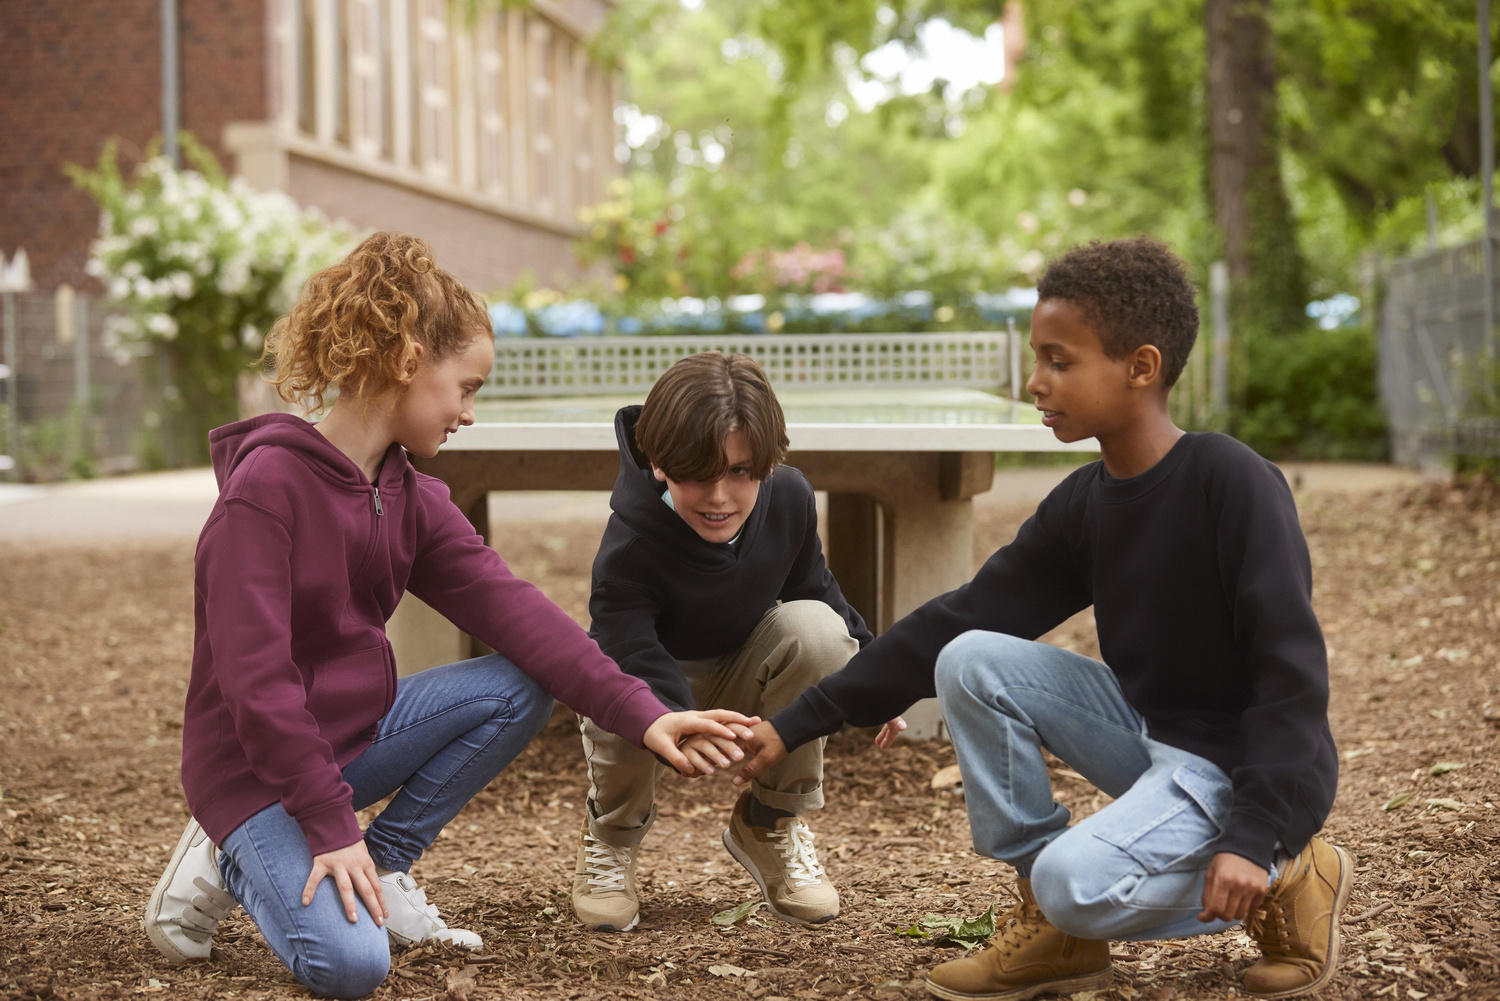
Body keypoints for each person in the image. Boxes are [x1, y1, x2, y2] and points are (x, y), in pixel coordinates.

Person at [732, 238, 1351, 1000]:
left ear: (1142, 366)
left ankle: (1291, 872)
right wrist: (794, 723)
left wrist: (1256, 838)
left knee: (1074, 881)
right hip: (1157, 734)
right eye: (1039, 358)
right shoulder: (1085, 505)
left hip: (1250, 768)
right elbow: (957, 619)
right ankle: (1057, 929)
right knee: (971, 656)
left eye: (1060, 361)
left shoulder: (1233, 482)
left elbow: (1290, 679)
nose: (1035, 382)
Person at [142, 233, 756, 998]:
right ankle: (225, 849)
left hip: (350, 739)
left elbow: (522, 616)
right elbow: (257, 684)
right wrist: (331, 829)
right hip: (252, 768)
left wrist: (647, 713)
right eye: (465, 387)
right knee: (351, 965)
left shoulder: (411, 498)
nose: (469, 412)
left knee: (520, 680)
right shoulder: (265, 491)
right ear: (404, 359)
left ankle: (384, 862)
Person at [570, 352, 903, 933]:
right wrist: (674, 716)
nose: (721, 496)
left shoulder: (790, 498)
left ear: (767, 464)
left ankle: (769, 820)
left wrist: (876, 677)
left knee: (818, 631)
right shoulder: (630, 543)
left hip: (745, 672)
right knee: (608, 684)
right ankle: (612, 835)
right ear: (659, 463)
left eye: (742, 472)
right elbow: (630, 644)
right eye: (699, 472)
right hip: (655, 680)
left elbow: (816, 590)